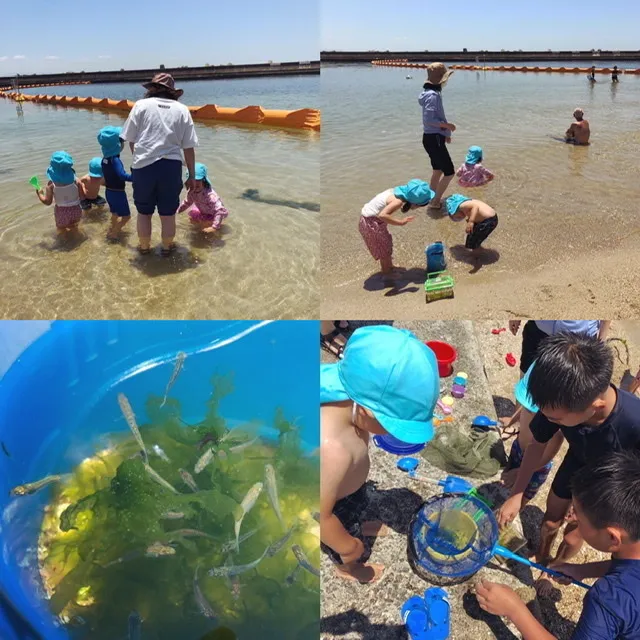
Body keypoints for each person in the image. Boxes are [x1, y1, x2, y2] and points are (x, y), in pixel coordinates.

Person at [497, 333, 640, 574]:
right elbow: (537, 444)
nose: (549, 419)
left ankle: (558, 565)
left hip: (610, 484)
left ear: (595, 407)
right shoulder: (560, 400)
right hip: (578, 459)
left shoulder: (633, 424)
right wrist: (517, 494)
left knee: (574, 536)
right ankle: (542, 557)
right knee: (551, 521)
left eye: (555, 418)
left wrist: (589, 502)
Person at [476, 451, 640, 640]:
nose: (573, 516)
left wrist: (515, 610)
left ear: (613, 538)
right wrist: (582, 570)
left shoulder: (609, 599)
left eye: (579, 515)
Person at [320, 325, 439, 584]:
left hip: (350, 488)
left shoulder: (350, 394)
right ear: (366, 412)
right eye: (392, 424)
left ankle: (360, 526)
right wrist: (347, 547)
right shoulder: (333, 451)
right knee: (347, 535)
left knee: (360, 503)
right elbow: (320, 514)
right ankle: (348, 568)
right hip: (332, 505)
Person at [120, 73, 199, 255]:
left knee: (144, 213)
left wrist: (141, 159)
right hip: (171, 167)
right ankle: (166, 249)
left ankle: (145, 249)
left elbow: (131, 139)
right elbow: (188, 147)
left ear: (152, 89)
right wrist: (192, 176)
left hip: (143, 167)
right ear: (172, 92)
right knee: (168, 214)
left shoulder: (140, 105)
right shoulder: (182, 109)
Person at [359, 179, 433, 274]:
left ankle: (389, 266)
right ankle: (387, 274)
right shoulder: (397, 202)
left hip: (370, 220)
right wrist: (400, 222)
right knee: (384, 251)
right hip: (371, 224)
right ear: (415, 203)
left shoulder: (396, 192)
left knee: (386, 243)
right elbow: (382, 215)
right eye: (422, 205)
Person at [419, 63, 456, 209]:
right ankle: (435, 202)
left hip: (431, 138)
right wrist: (448, 127)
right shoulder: (433, 96)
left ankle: (430, 197)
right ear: (441, 79)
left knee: (437, 170)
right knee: (449, 172)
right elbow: (429, 120)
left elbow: (435, 117)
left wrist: (445, 134)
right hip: (434, 139)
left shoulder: (428, 93)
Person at [97, 126, 133, 240]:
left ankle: (112, 227)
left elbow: (107, 176)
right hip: (118, 193)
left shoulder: (104, 160)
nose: (123, 143)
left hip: (109, 192)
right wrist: (136, 177)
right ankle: (114, 232)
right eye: (121, 141)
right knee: (127, 217)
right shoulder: (115, 160)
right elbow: (122, 176)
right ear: (117, 145)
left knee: (114, 213)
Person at [36, 151, 83, 233]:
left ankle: (63, 242)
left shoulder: (51, 185)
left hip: (61, 212)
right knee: (74, 227)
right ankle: (75, 239)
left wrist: (40, 193)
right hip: (76, 210)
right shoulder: (77, 181)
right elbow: (82, 197)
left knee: (61, 229)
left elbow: (47, 202)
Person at [177, 163, 228, 235]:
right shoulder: (191, 191)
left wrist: (214, 227)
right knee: (192, 222)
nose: (195, 182)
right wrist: (177, 211)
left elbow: (220, 210)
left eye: (198, 180)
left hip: (213, 214)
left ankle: (217, 228)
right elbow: (187, 202)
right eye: (192, 180)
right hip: (202, 211)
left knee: (208, 231)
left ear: (203, 179)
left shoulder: (210, 195)